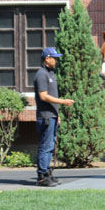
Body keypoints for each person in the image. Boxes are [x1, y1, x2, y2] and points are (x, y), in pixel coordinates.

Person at [34, 47, 74, 187]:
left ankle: (47, 173)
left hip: (51, 116)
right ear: (47, 59)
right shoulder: (41, 74)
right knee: (45, 146)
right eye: (54, 58)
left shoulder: (51, 74)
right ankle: (42, 176)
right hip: (45, 116)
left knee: (50, 145)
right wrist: (63, 102)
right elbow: (43, 96)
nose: (56, 60)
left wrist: (57, 115)